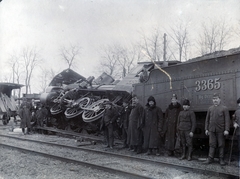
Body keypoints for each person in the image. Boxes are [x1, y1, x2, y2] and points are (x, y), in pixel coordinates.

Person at [204, 93, 230, 165]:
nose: (215, 100)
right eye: (214, 99)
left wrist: (226, 130)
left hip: (220, 130)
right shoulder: (210, 108)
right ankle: (210, 158)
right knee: (212, 144)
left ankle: (221, 159)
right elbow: (207, 120)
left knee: (221, 144)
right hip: (211, 130)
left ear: (219, 99)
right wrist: (206, 129)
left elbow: (227, 120)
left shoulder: (224, 108)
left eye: (216, 99)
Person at [232, 97, 240, 166]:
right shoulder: (236, 112)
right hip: (239, 132)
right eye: (239, 103)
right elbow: (234, 119)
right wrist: (234, 123)